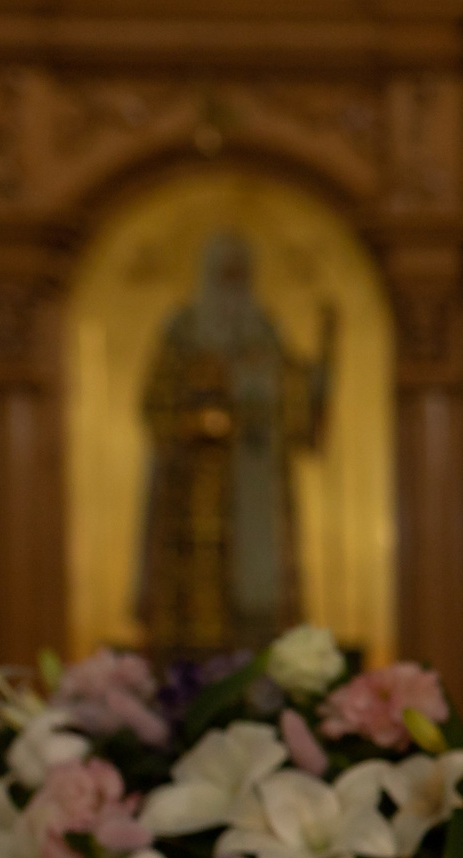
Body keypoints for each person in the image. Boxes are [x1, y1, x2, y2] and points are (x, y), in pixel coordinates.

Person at [136, 231, 334, 654]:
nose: (233, 284)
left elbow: (293, 399)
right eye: (225, 274)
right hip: (197, 494)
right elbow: (156, 404)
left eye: (240, 274)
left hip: (258, 492)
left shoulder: (264, 330)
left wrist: (315, 385)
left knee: (259, 607)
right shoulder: (184, 330)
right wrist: (200, 420)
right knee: (200, 600)